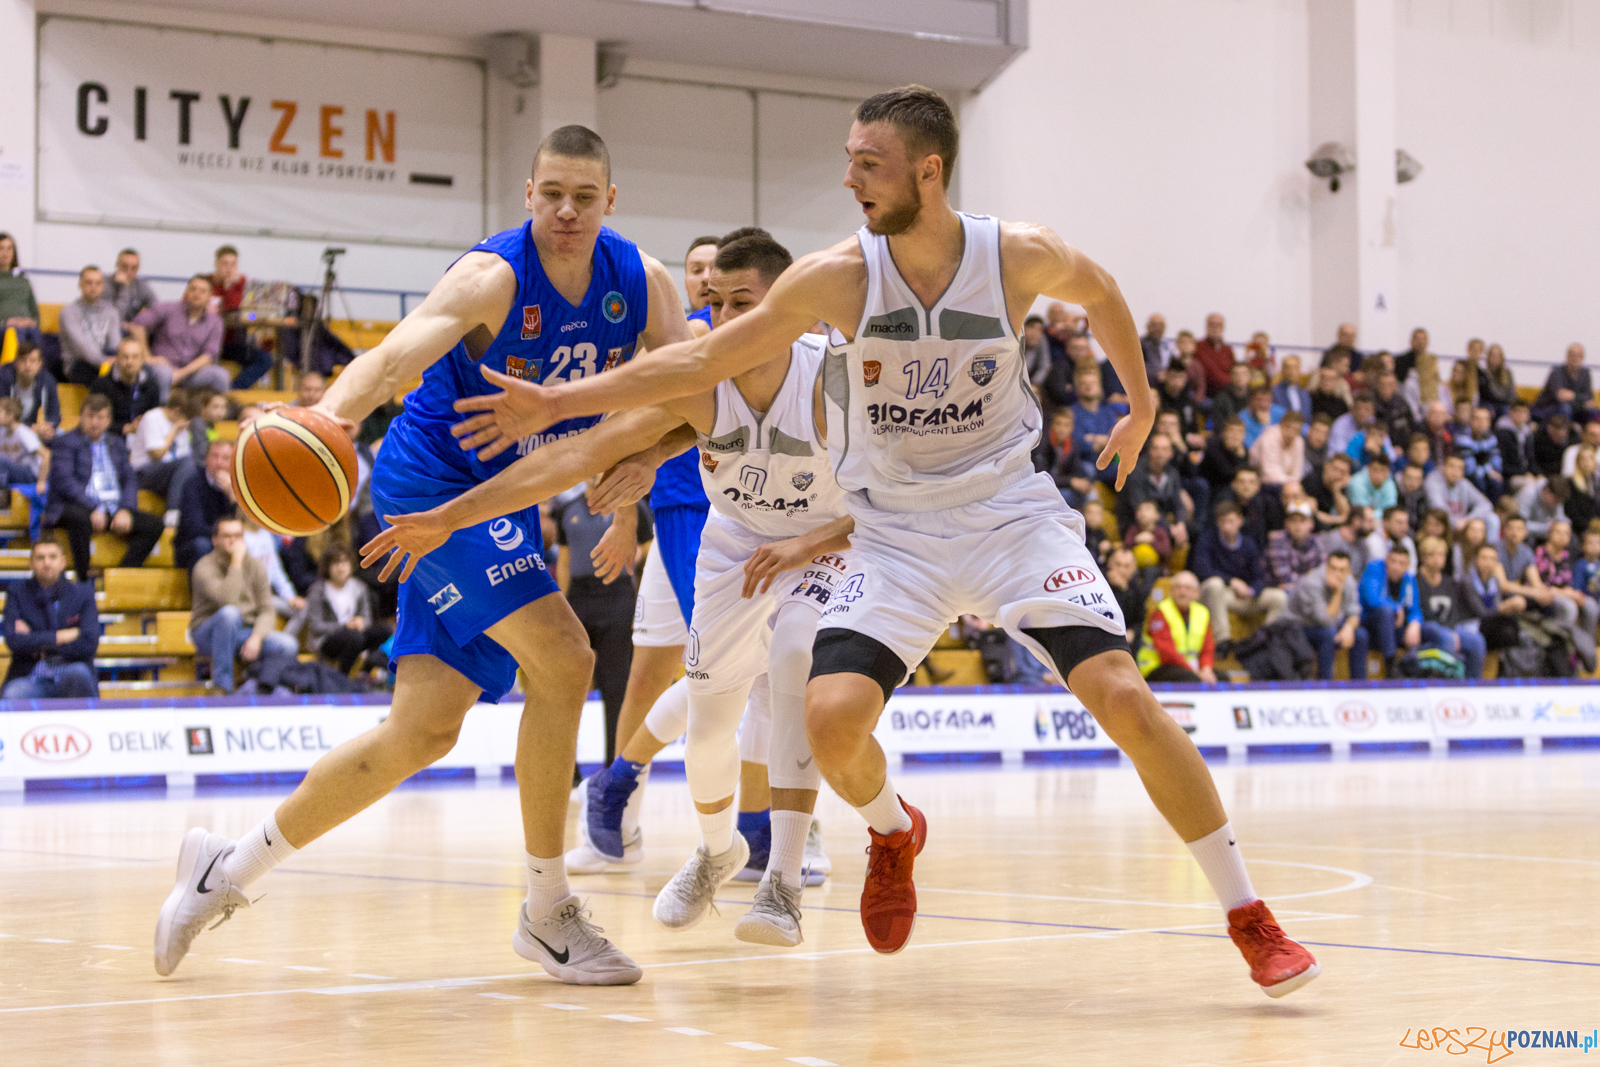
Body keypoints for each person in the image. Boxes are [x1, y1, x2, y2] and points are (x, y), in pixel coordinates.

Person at [445, 87, 1320, 994]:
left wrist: (1141, 402)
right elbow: (702, 359)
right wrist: (558, 401)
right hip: (894, 533)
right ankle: (894, 832)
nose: (850, 179)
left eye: (869, 163)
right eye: (849, 160)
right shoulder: (836, 277)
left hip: (1010, 516)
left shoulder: (1015, 254)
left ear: (927, 171)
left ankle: (1249, 915)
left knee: (1124, 696)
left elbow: (1099, 292)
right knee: (827, 720)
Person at [152, 125, 684, 985]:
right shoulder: (492, 277)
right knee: (566, 658)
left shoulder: (644, 283)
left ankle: (225, 868)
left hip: (507, 496)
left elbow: (687, 385)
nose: (566, 210)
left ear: (610, 202)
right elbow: (392, 357)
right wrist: (323, 421)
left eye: (584, 196)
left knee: (422, 730)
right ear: (528, 193)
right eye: (551, 193)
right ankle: (548, 909)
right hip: (431, 489)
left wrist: (648, 462)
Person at [366, 233, 849, 948]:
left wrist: (810, 543)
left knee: (787, 667)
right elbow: (590, 449)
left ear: (786, 306)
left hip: (824, 540)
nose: (720, 318)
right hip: (730, 531)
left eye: (740, 303)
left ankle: (786, 872)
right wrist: (455, 513)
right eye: (711, 300)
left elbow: (890, 495)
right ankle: (711, 843)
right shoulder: (698, 367)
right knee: (700, 704)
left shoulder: (836, 377)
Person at [550, 484, 652, 766]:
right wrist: (563, 607)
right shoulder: (568, 509)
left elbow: (649, 548)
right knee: (567, 686)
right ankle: (567, 768)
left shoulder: (632, 506)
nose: (597, 477)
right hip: (579, 596)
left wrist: (634, 554)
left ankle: (613, 765)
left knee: (616, 685)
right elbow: (564, 561)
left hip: (617, 596)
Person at [45, 394, 164, 579]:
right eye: (90, 416)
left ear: (108, 420)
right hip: (77, 506)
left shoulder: (117, 444)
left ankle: (123, 575)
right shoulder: (65, 442)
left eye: (100, 417)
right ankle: (84, 577)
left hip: (112, 508)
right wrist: (93, 507)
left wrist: (125, 509)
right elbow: (64, 481)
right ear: (80, 417)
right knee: (79, 518)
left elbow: (129, 479)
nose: (95, 422)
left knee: (155, 525)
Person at [189, 516, 298, 693]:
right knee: (229, 614)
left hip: (244, 632)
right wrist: (236, 562)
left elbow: (267, 610)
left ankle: (256, 688)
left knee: (288, 645)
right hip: (208, 634)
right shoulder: (204, 566)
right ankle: (222, 688)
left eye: (238, 536)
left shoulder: (256, 566)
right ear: (215, 540)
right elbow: (227, 600)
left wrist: (256, 637)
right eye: (227, 536)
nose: (233, 541)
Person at [1, 541, 99, 699]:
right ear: (31, 563)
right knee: (13, 694)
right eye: (40, 558)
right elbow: (13, 640)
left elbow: (89, 643)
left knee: (79, 673)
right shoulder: (17, 592)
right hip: (31, 676)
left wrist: (34, 637)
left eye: (52, 557)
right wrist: (60, 637)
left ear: (63, 562)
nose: (47, 563)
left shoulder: (82, 594)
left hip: (71, 671)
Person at [1193, 500, 1286, 648]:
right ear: (1217, 523)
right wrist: (1231, 581)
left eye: (1231, 521)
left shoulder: (1248, 544)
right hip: (1218, 595)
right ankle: (1223, 641)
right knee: (1214, 584)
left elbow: (1260, 577)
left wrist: (1252, 590)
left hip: (1243, 595)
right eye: (1223, 522)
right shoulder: (1207, 540)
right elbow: (1202, 570)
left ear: (1240, 521)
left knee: (1279, 597)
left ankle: (1264, 642)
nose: (1227, 526)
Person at [129, 274, 231, 398]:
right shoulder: (168, 309)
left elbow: (208, 356)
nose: (197, 294)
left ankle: (216, 410)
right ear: (187, 292)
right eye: (193, 289)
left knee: (221, 375)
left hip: (192, 372)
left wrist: (181, 373)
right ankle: (163, 409)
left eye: (202, 291)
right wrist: (147, 357)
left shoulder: (215, 322)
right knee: (164, 374)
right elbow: (137, 325)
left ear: (209, 296)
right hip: (163, 366)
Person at [303, 543, 391, 675]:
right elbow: (316, 626)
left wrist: (360, 622)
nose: (341, 567)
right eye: (336, 563)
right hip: (327, 639)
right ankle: (343, 677)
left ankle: (367, 670)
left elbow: (366, 619)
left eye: (344, 562)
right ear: (327, 567)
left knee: (384, 630)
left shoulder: (359, 588)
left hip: (356, 634)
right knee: (355, 638)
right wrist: (345, 626)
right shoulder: (318, 590)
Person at [1287, 550, 1366, 680]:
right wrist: (1338, 592)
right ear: (1326, 567)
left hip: (1329, 625)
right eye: (1333, 568)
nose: (1337, 573)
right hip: (1299, 628)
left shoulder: (1349, 581)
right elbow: (1325, 620)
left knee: (1361, 635)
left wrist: (1349, 628)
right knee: (1328, 633)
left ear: (1348, 570)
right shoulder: (1311, 582)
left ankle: (1359, 685)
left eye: (1342, 570)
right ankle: (1325, 684)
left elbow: (1355, 612)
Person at [1415, 535, 1486, 679]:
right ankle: (1448, 683)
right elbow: (1421, 611)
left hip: (1448, 627)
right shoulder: (1416, 581)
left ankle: (1473, 683)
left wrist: (1452, 629)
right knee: (1446, 638)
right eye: (1433, 555)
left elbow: (1454, 612)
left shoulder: (1449, 583)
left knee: (1476, 641)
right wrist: (1448, 631)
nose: (1438, 559)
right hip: (1426, 627)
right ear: (1423, 557)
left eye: (1441, 555)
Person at [207, 245, 276, 389]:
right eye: (225, 264)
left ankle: (232, 389)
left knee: (265, 359)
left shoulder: (242, 283)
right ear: (216, 264)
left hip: (233, 342)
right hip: (208, 343)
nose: (229, 269)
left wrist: (230, 289)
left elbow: (237, 311)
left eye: (233, 264)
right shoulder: (205, 283)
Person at [1135, 571, 1215, 683]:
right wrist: (1195, 672)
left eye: (1187, 588)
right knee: (1192, 679)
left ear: (1196, 593)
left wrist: (1206, 669)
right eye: (1178, 588)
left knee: (1222, 678)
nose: (1182, 592)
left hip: (1187, 668)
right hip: (1158, 667)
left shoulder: (1202, 612)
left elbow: (1207, 647)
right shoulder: (1160, 612)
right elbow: (1166, 652)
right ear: (1171, 591)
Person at [174, 439, 238, 570]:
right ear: (206, 458)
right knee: (202, 545)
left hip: (228, 539)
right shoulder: (193, 484)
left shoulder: (237, 487)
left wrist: (232, 496)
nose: (219, 463)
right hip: (193, 544)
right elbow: (194, 527)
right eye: (215, 456)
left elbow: (246, 526)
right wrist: (223, 538)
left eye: (225, 458)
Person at [1536, 520, 1600, 652]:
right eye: (1558, 532)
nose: (1562, 536)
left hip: (1566, 593)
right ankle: (1566, 650)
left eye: (1566, 533)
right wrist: (1570, 593)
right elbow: (1541, 586)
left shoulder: (1567, 555)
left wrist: (1573, 593)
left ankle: (1586, 650)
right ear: (1550, 533)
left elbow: (1569, 583)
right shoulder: (1540, 553)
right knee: (1570, 607)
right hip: (1546, 595)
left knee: (1591, 606)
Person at [1360, 544, 1422, 674]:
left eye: (1401, 563)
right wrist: (1396, 607)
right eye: (1393, 561)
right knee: (1386, 612)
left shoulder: (1409, 579)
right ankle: (1390, 665)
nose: (1396, 567)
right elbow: (1372, 598)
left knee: (1430, 631)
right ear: (1386, 560)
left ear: (1407, 565)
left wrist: (1415, 623)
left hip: (1394, 628)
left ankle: (1419, 668)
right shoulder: (1375, 568)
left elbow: (1414, 609)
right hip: (1369, 622)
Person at [59, 265, 125, 384]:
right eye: (89, 283)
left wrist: (119, 360)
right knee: (108, 380)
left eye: (98, 283)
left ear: (102, 286)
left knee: (133, 372)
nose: (93, 287)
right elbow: (81, 347)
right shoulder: (69, 312)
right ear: (80, 284)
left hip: (107, 360)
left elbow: (115, 344)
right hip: (78, 364)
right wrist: (104, 361)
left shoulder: (111, 312)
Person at [89, 336, 163, 434]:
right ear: (117, 358)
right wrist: (125, 428)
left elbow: (155, 419)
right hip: (112, 437)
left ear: (142, 360)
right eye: (125, 357)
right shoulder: (101, 385)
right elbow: (94, 421)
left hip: (143, 436)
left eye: (135, 357)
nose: (129, 362)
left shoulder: (151, 385)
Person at [1425, 452, 1499, 541]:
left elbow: (1486, 504)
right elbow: (1439, 509)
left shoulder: (1463, 484)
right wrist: (1457, 522)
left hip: (1462, 525)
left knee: (1492, 519)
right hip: (1441, 526)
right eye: (1452, 466)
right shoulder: (1433, 481)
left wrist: (1467, 520)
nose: (1455, 472)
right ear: (1443, 467)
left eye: (1459, 468)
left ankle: (1490, 548)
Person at [0, 340, 62, 440]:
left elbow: (54, 414)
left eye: (32, 361)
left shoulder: (47, 380)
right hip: (7, 430)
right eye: (23, 360)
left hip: (35, 430)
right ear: (16, 362)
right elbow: (2, 417)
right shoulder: (3, 378)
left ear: (40, 364)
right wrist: (29, 429)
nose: (28, 365)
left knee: (60, 434)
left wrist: (45, 428)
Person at [1266, 503, 1324, 589]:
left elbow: (1323, 573)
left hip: (1310, 589)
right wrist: (1311, 581)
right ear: (1286, 523)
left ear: (1311, 524)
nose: (1298, 525)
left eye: (1302, 521)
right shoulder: (1277, 540)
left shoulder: (1317, 541)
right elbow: (1284, 579)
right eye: (1293, 521)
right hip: (1278, 590)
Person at [1533, 343, 1593, 421]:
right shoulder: (1557, 372)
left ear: (1583, 358)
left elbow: (1589, 399)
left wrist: (1573, 396)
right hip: (1548, 408)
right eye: (1572, 355)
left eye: (1579, 356)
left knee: (1593, 412)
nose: (1575, 358)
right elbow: (1561, 396)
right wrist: (1581, 399)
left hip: (1574, 407)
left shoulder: (1585, 374)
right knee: (1565, 408)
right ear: (1567, 356)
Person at [1250, 409, 1305, 488]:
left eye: (1296, 430)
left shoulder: (1299, 441)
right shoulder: (1269, 437)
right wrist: (1291, 483)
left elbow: (1297, 471)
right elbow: (1270, 473)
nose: (1291, 433)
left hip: (1286, 483)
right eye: (1288, 427)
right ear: (1281, 425)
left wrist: (1293, 483)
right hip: (1262, 482)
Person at [0, 232, 39, 338]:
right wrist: (6, 322)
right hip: (4, 328)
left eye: (9, 249)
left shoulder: (23, 279)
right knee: (17, 333)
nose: (5, 253)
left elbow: (34, 309)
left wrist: (32, 322)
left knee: (33, 334)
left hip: (27, 327)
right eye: (1, 248)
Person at [1304, 453, 1353, 530]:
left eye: (1342, 472)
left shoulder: (1339, 485)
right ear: (1326, 466)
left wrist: (1336, 491)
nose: (1338, 475)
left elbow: (1346, 514)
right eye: (1335, 469)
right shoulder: (1312, 482)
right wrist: (1339, 519)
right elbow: (1313, 514)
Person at [109, 248, 158, 322]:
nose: (129, 272)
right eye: (125, 267)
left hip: (133, 326)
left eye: (134, 268)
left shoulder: (141, 285)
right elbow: (115, 318)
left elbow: (156, 309)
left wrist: (142, 322)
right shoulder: (105, 285)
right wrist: (124, 287)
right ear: (117, 265)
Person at [1514, 477, 1569, 541]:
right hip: (1526, 536)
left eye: (1559, 502)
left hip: (1543, 535)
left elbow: (1560, 518)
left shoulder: (1557, 498)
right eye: (1555, 500)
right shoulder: (1528, 494)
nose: (1556, 504)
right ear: (1547, 491)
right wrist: (1546, 527)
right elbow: (1521, 524)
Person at [1192, 313, 1234, 394]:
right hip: (1204, 394)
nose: (1215, 328)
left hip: (1225, 393)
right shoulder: (1197, 347)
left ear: (1223, 328)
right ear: (1206, 327)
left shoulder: (1228, 350)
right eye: (1212, 325)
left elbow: (1233, 372)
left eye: (1218, 325)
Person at [1209, 362, 1253, 428]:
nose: (1240, 377)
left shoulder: (1255, 398)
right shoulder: (1221, 399)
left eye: (1243, 374)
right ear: (1231, 377)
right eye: (1236, 374)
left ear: (1250, 376)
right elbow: (1218, 425)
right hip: (1229, 432)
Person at [1239, 385, 1283, 449]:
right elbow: (1249, 445)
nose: (1263, 404)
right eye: (1259, 400)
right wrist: (1265, 424)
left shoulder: (1280, 412)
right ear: (1252, 401)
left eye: (1267, 400)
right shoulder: (1242, 418)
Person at [1272, 354, 1311, 419]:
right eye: (1287, 367)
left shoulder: (1305, 393)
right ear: (1282, 370)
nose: (1291, 371)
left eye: (1295, 367)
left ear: (1299, 370)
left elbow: (1308, 417)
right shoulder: (1274, 392)